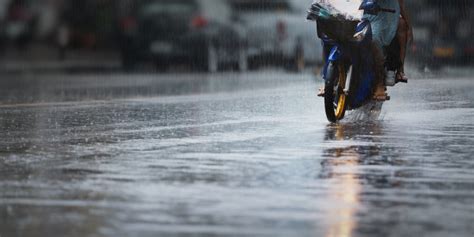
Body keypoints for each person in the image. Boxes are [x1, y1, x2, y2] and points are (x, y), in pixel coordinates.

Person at [318, 0, 412, 100]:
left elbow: (400, 3)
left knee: (373, 40)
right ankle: (329, 81)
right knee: (329, 38)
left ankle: (379, 83)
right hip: (354, 13)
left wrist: (408, 24)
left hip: (382, 14)